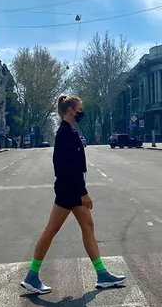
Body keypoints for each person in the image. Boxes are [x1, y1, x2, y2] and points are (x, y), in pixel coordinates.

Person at [20, 94, 126, 295]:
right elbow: (67, 167)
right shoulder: (65, 133)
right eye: (80, 109)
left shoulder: (68, 131)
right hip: (69, 190)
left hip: (71, 188)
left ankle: (102, 274)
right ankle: (32, 276)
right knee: (51, 229)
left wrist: (80, 190)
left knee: (88, 226)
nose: (81, 112)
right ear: (71, 110)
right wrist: (83, 192)